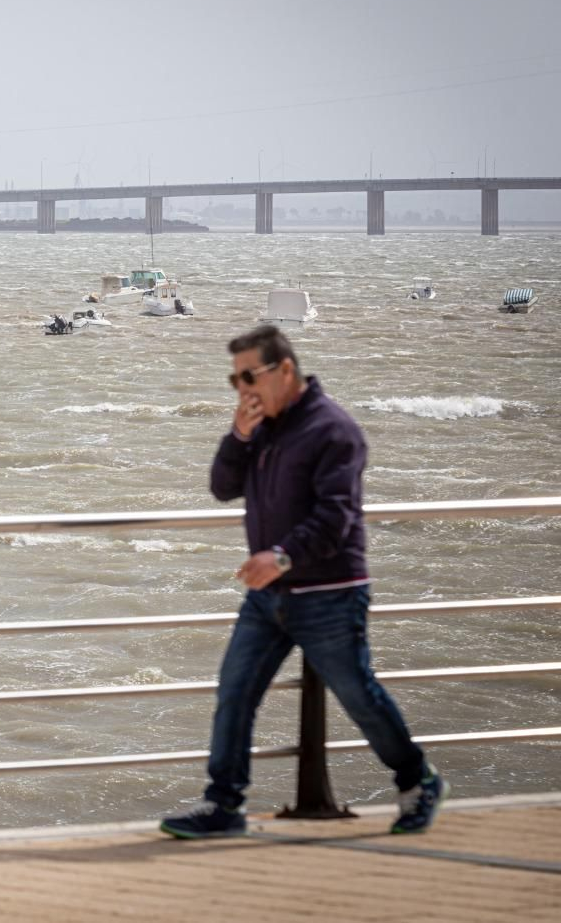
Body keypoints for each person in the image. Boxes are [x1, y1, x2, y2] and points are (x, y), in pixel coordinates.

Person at [160, 325, 445, 839]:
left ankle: (417, 781)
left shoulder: (334, 430)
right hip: (268, 595)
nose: (243, 388)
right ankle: (224, 805)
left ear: (285, 370)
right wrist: (239, 436)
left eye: (251, 375)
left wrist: (283, 557)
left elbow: (337, 518)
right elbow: (223, 488)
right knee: (234, 693)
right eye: (235, 378)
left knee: (360, 697)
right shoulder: (264, 426)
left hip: (329, 594)